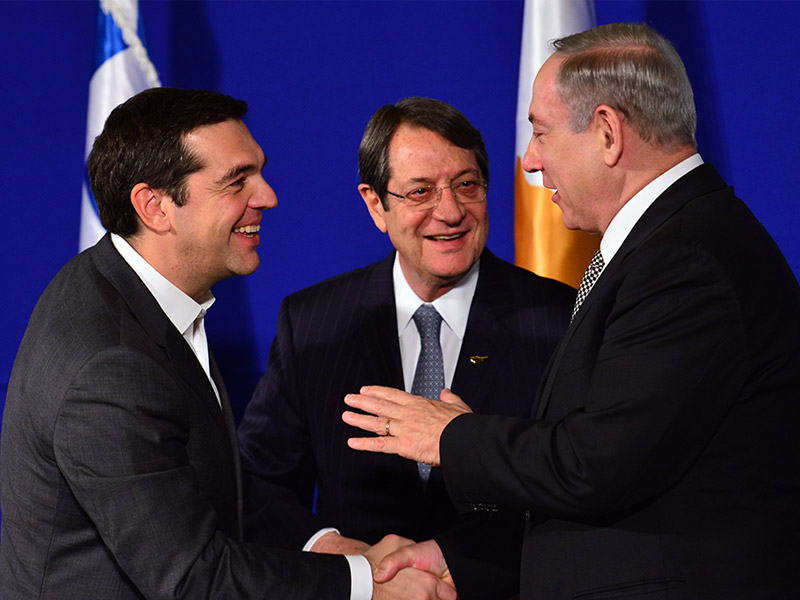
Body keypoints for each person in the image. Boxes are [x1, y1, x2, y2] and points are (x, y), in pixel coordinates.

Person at [343, 23, 800, 599]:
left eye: (540, 132)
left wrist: (452, 438)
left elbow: (594, 464)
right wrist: (459, 553)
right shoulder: (671, 245)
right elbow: (615, 454)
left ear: (607, 132)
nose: (530, 161)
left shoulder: (686, 261)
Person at [0, 87, 455, 600]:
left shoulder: (131, 292)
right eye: (237, 181)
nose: (267, 196)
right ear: (154, 206)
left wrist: (332, 548)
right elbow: (193, 577)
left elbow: (208, 485)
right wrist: (366, 584)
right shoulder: (111, 363)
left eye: (258, 171)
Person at [237, 97, 574, 557]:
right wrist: (336, 551)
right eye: (420, 192)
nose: (451, 212)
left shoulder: (558, 318)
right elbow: (257, 484)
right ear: (376, 205)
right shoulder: (313, 323)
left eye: (467, 184)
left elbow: (578, 485)